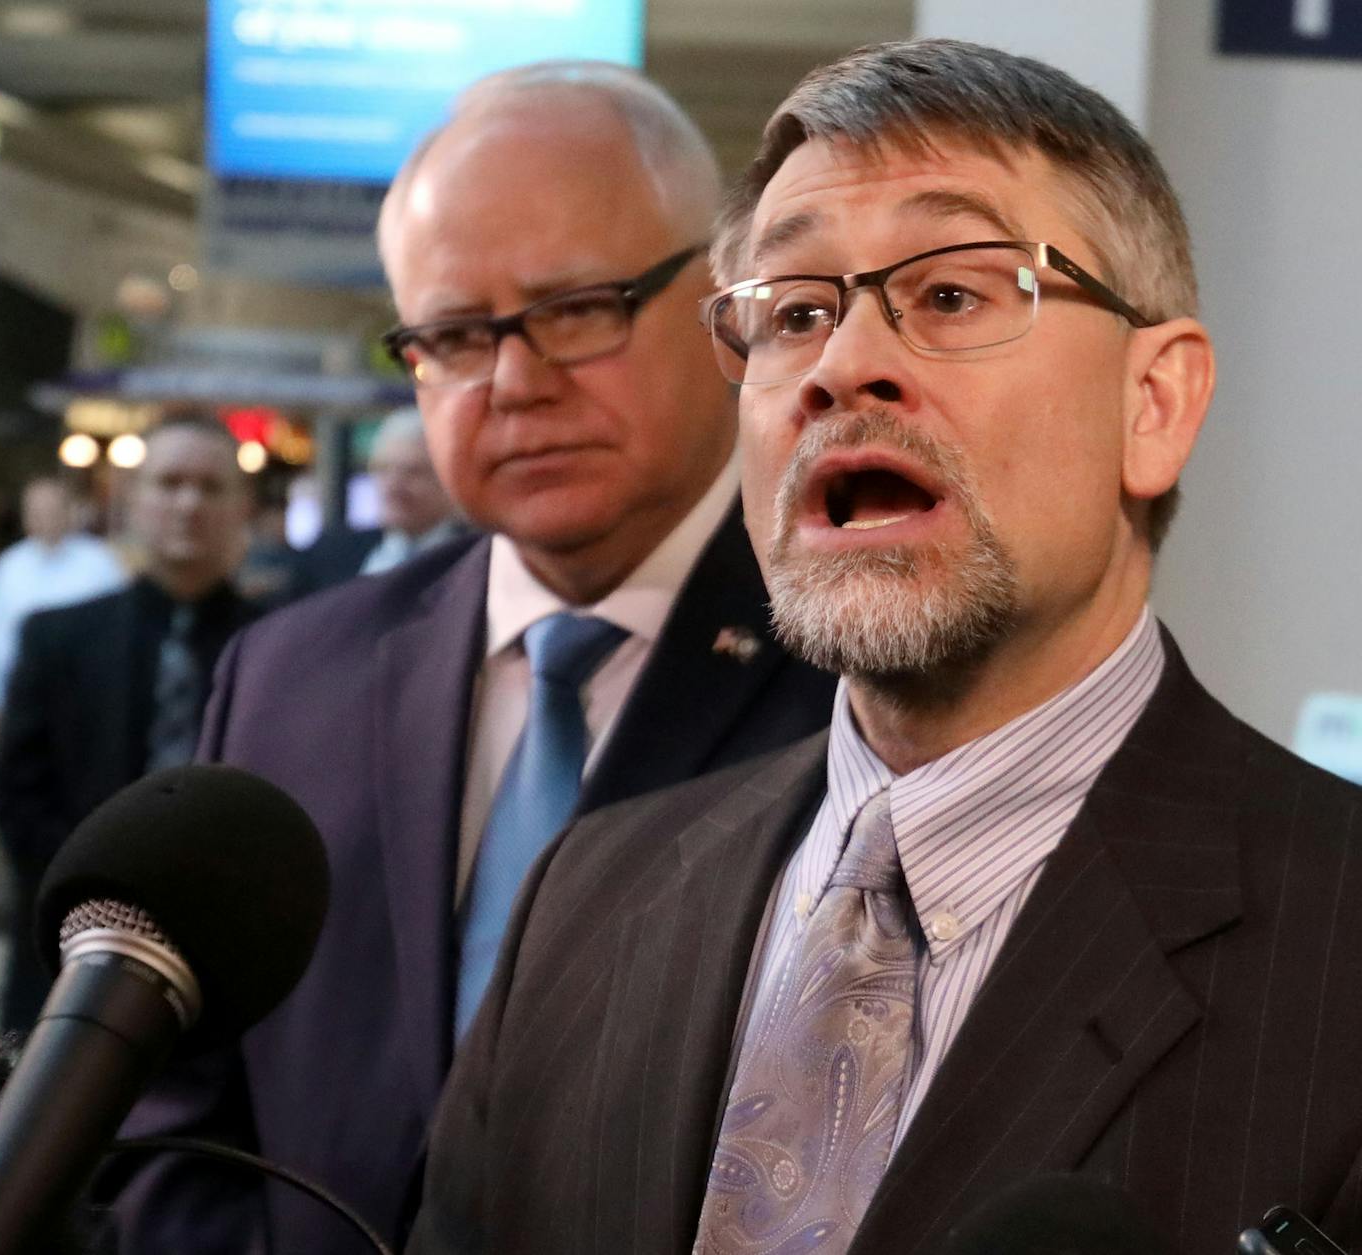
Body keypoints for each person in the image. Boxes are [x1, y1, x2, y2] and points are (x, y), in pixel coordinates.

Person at [408, 39, 1362, 1255]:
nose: (842, 366)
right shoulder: (588, 896)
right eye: (795, 312)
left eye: (952, 294)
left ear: (1153, 403)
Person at [116, 62, 835, 1255]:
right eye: (454, 334)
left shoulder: (869, 679)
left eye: (575, 309)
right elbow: (179, 1127)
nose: (515, 382)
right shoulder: (290, 682)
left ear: (728, 305)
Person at [0, 416, 258, 1034]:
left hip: (235, 974)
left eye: (210, 487)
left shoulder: (288, 646)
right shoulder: (58, 636)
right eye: (169, 482)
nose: (189, 503)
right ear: (131, 497)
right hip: (69, 957)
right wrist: (102, 909)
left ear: (241, 504)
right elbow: (18, 798)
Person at [0, 476, 126, 734]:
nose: (45, 519)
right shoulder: (9, 566)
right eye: (36, 512)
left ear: (69, 511)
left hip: (89, 694)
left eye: (52, 510)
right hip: (26, 694)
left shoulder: (101, 563)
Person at [292, 408, 464, 596]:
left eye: (412, 472)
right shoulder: (331, 553)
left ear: (447, 483)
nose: (394, 485)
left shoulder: (474, 560)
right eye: (383, 469)